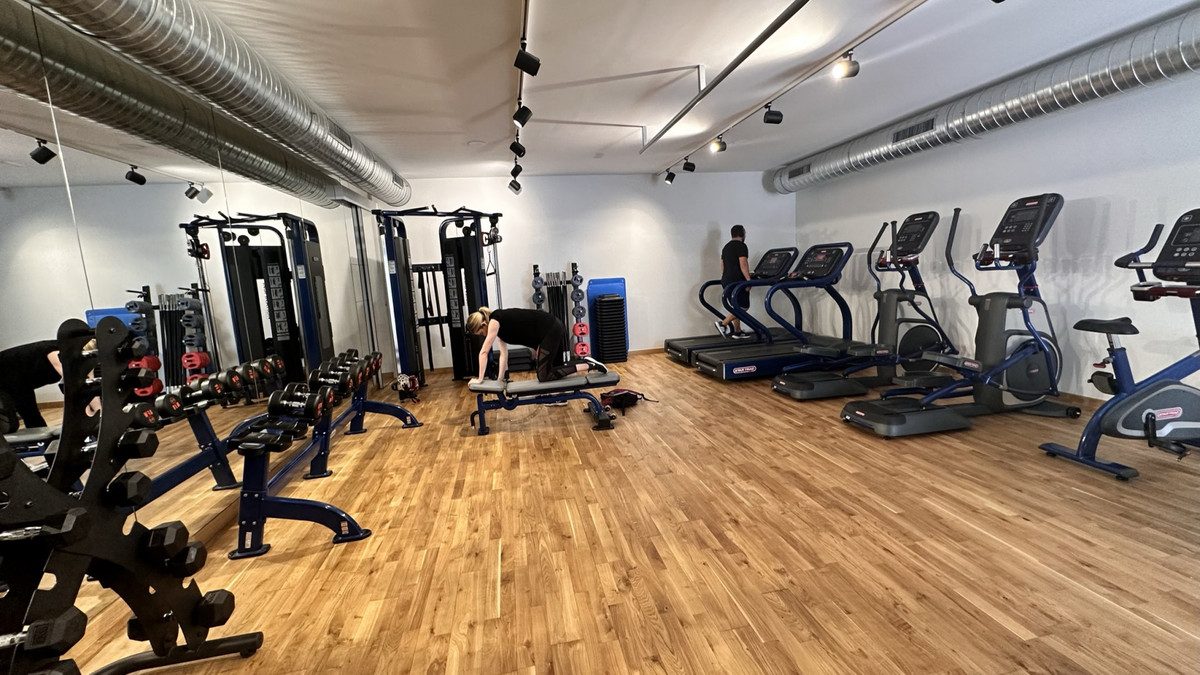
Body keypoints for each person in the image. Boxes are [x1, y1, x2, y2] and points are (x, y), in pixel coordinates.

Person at [466, 307, 606, 384]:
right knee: (555, 368)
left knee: (543, 375)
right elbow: (504, 354)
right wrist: (500, 380)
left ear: (483, 324)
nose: (483, 335)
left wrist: (479, 379)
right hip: (551, 327)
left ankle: (588, 364)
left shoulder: (494, 321)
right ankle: (560, 398)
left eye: (481, 333)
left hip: (550, 329)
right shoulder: (498, 326)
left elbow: (484, 352)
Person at [0, 339, 65, 431]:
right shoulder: (55, 354)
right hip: (5, 372)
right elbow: (73, 385)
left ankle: (40, 436)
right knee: (12, 421)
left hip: (20, 375)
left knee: (30, 415)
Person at [716, 224, 752, 338]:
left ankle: (737, 331)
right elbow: (743, 263)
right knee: (743, 307)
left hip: (726, 279)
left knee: (735, 305)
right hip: (737, 281)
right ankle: (723, 324)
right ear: (742, 234)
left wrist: (725, 277)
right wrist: (748, 280)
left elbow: (722, 265)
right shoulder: (741, 246)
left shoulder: (726, 247)